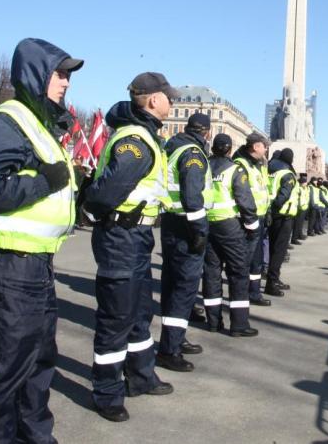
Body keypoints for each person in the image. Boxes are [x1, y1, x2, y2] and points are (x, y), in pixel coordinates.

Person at [0, 38, 82, 441]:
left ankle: (35, 437)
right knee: (2, 371)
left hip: (37, 265)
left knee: (38, 364)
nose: (65, 82)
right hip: (12, 267)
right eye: (59, 73)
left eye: (68, 75)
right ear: (36, 74)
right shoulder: (5, 122)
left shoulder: (40, 124)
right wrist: (44, 183)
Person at [83, 72, 176, 422]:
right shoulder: (136, 138)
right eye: (169, 97)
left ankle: (140, 375)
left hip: (136, 236)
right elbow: (108, 191)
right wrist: (93, 209)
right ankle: (107, 392)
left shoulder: (147, 135)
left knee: (138, 313)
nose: (173, 102)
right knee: (116, 316)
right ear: (153, 100)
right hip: (121, 237)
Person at [156, 112, 212, 373]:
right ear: (207, 132)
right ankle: (170, 349)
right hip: (186, 225)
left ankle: (175, 337)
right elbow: (192, 196)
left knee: (171, 284)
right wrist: (200, 230)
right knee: (184, 288)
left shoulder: (174, 146)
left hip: (171, 221)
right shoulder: (192, 153)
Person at [202, 134, 259, 336]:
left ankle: (213, 322)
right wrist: (252, 224)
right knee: (238, 273)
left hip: (207, 224)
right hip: (230, 226)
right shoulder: (235, 170)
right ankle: (239, 324)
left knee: (211, 273)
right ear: (228, 149)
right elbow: (245, 200)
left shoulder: (204, 166)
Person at [232, 132, 271, 306]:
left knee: (256, 258)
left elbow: (262, 191)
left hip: (259, 217)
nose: (266, 150)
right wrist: (250, 219)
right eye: (265, 146)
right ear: (256, 147)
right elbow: (242, 194)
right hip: (247, 219)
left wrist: (266, 211)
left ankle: (254, 292)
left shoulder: (258, 165)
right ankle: (242, 294)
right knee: (246, 258)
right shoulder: (241, 164)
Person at [266, 148, 298, 296]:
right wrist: (277, 208)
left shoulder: (272, 171)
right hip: (284, 215)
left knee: (273, 249)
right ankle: (272, 283)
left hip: (273, 214)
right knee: (279, 251)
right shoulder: (288, 174)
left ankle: (274, 278)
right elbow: (283, 195)